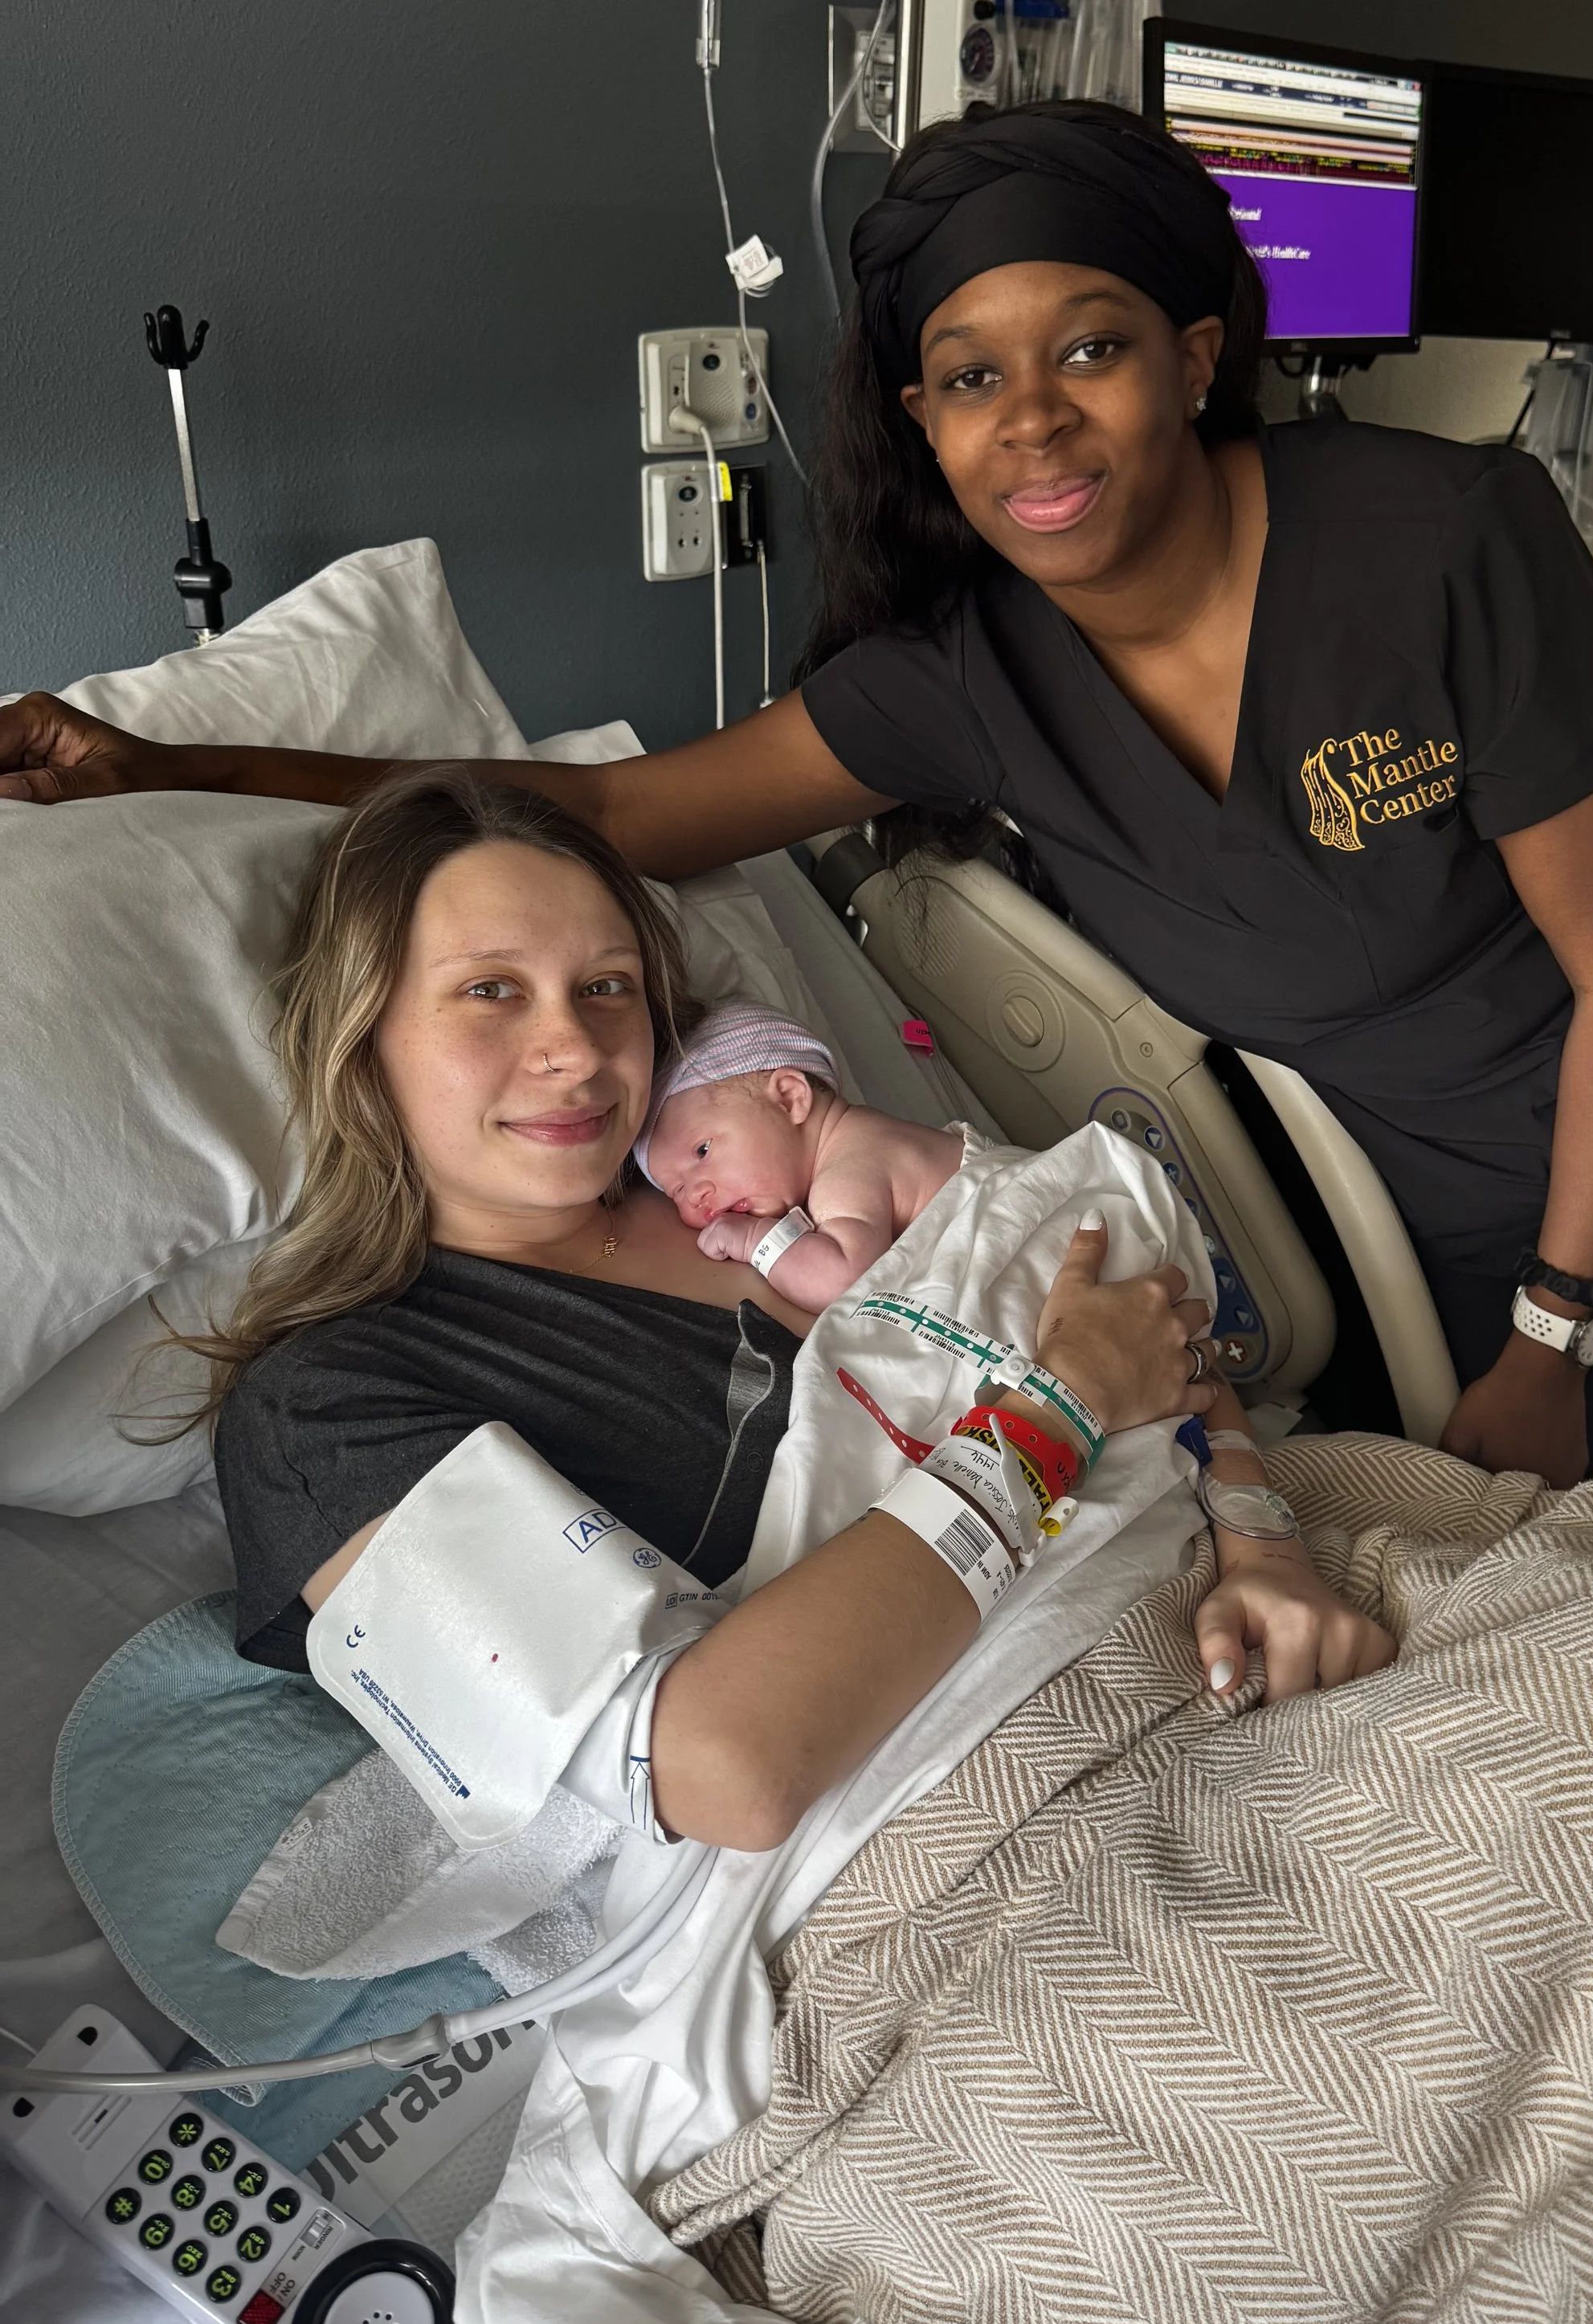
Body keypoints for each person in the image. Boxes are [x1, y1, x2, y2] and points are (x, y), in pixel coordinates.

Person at [0, 100, 1593, 1484]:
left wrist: (1555, 1334)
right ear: (924, 424)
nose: (1031, 420)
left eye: (1090, 347)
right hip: (1374, 1186)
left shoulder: (1438, 546)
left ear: (1195, 357)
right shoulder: (962, 678)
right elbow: (608, 821)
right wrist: (169, 761)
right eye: (969, 377)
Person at [196, 770, 1393, 1853]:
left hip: (1232, 1605)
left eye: (607, 987)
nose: (574, 1047)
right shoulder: (328, 1411)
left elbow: (1126, 1320)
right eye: (490, 991)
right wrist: (1057, 1411)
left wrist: (1264, 1547)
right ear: (363, 1034)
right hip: (987, 1809)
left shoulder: (757, 1180)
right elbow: (719, 1766)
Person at [635, 997, 967, 1313]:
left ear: (790, 1099)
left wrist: (753, 1240)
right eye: (675, 1190)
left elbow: (842, 1284)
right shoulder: (864, 1134)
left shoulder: (848, 1169)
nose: (694, 1194)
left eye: (703, 1150)